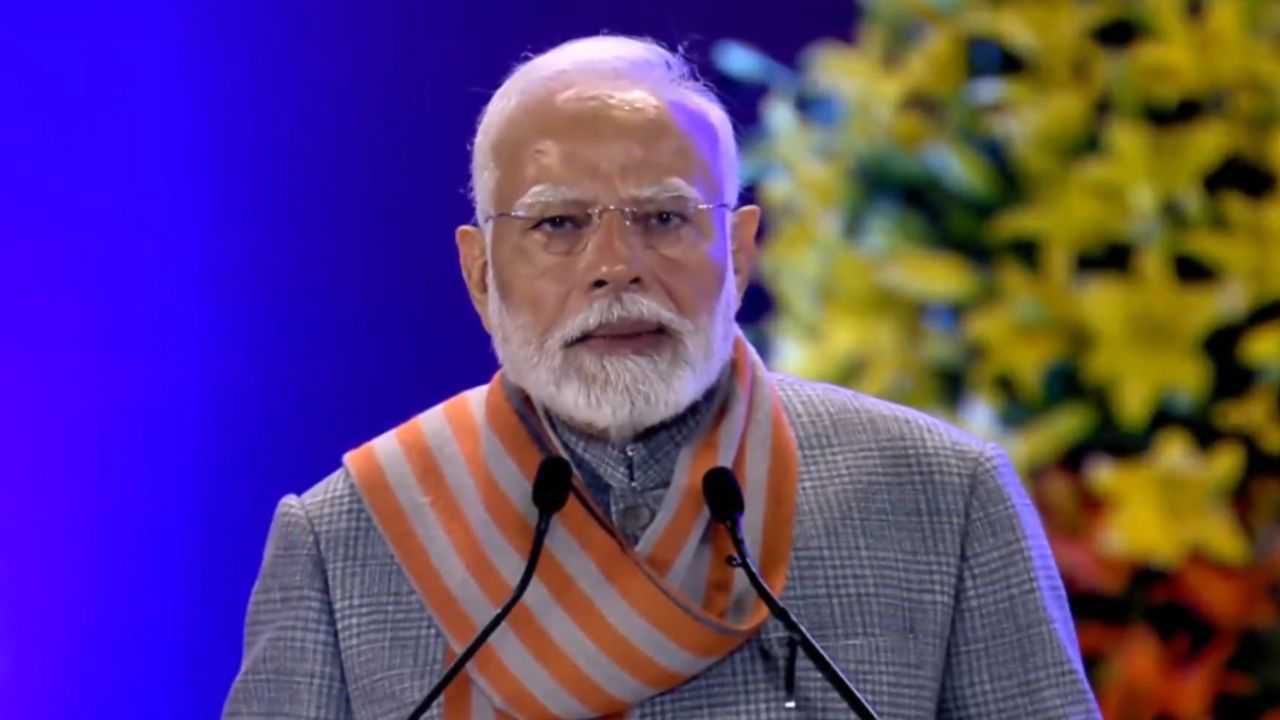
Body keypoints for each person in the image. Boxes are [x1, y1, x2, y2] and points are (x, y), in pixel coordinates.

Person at [223, 35, 1100, 719]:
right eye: (558, 224)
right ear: (480, 273)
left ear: (741, 249)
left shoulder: (945, 498)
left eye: (665, 218)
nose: (616, 266)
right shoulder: (348, 538)